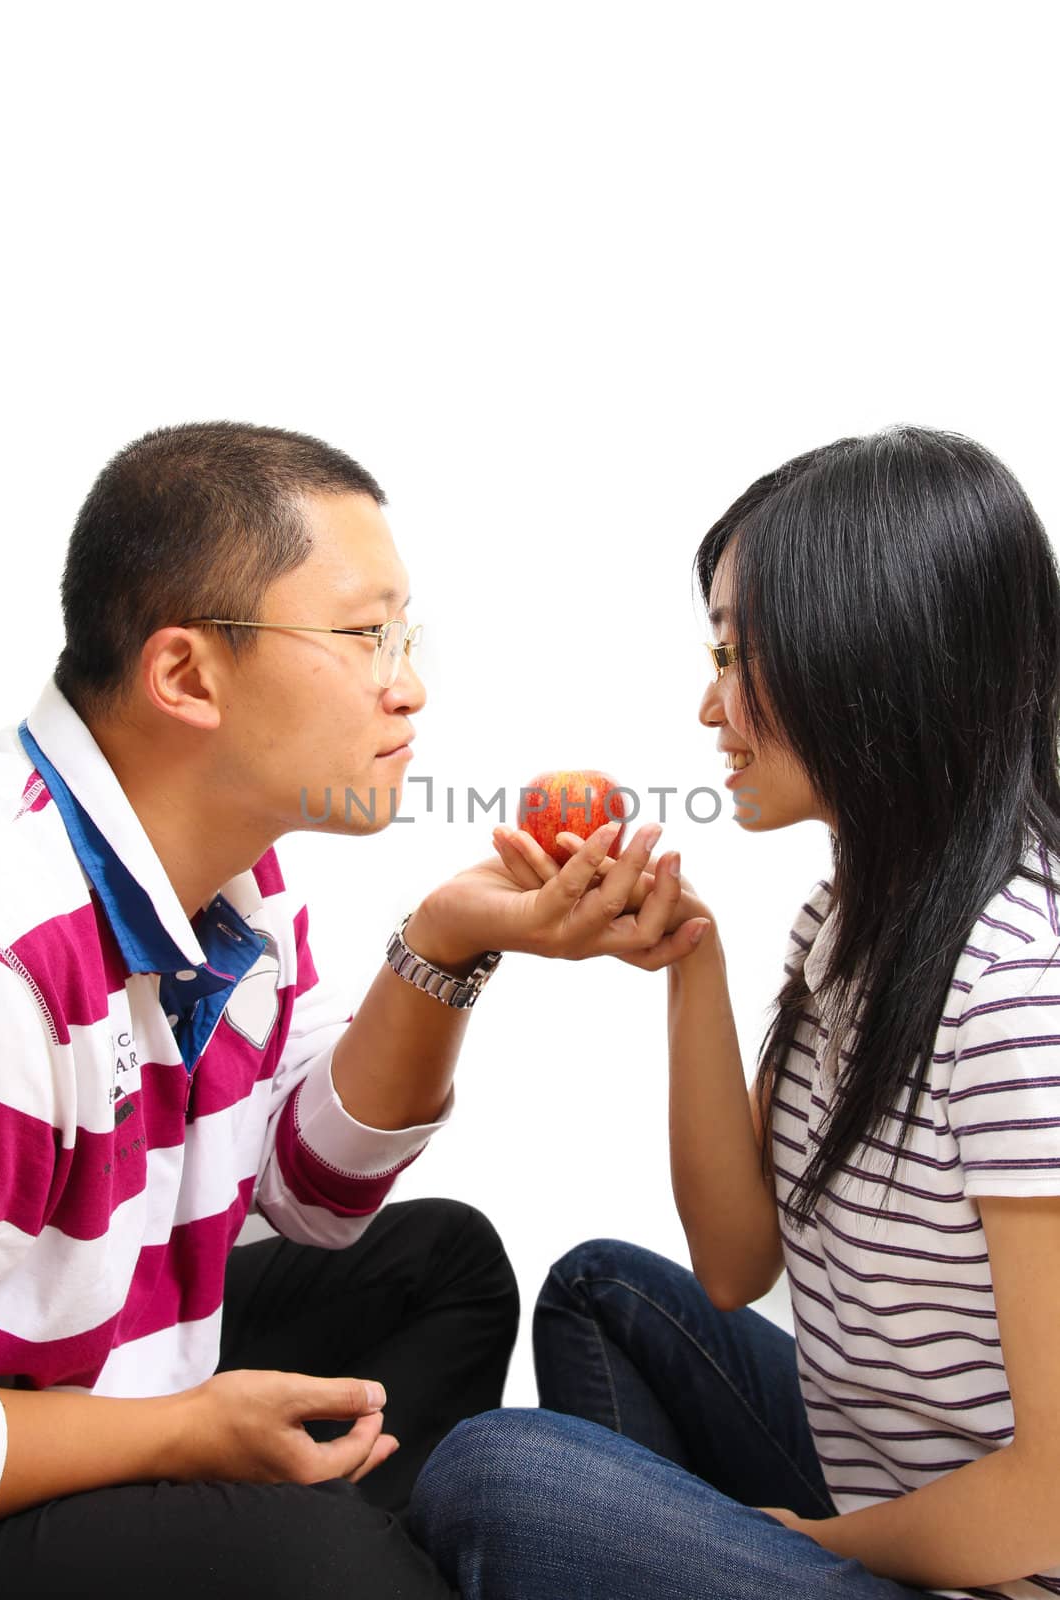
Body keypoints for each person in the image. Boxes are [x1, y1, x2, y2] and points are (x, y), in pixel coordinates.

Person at [0, 421, 701, 1599]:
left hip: (110, 1373)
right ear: (184, 675)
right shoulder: (17, 961)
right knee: (327, 1559)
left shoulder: (231, 874)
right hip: (27, 1454)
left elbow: (311, 1194)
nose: (408, 685)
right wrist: (184, 1435)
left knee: (446, 1268)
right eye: (365, 636)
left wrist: (447, 941)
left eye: (404, 635)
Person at [410, 425, 1060, 1600]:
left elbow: (1048, 1504)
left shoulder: (1017, 993)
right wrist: (687, 963)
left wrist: (789, 1546)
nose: (707, 704)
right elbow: (731, 1262)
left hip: (994, 1569)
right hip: (879, 1497)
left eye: (733, 653)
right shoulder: (854, 913)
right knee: (600, 1292)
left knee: (496, 1476)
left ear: (870, 654)